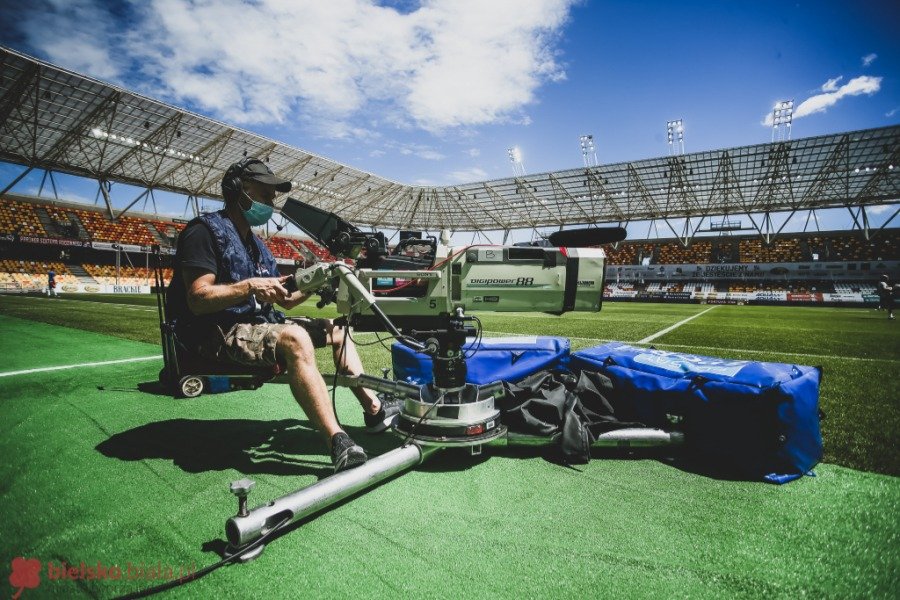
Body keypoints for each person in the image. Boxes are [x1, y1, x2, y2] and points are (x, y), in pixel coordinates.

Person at [166, 158, 400, 472]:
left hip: (256, 324)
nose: (271, 203)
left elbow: (286, 300)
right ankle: (337, 441)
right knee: (294, 338)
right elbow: (197, 298)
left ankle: (373, 411)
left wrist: (326, 277)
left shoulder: (258, 247)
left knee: (338, 329)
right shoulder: (204, 231)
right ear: (240, 190)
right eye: (265, 195)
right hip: (215, 329)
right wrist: (248, 287)